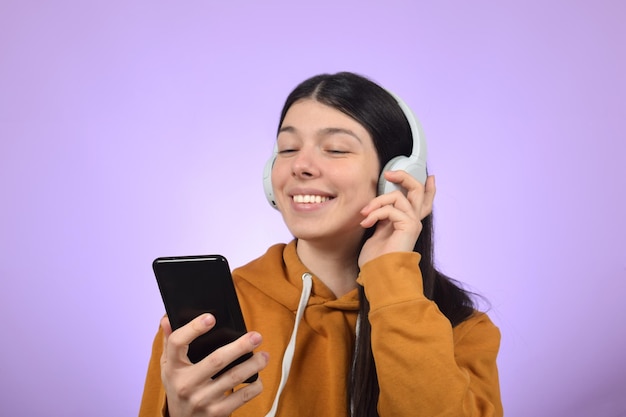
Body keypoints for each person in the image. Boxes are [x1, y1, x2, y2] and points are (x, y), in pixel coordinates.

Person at [139, 71, 503, 417]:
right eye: (287, 148)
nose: (301, 165)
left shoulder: (461, 327)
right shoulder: (202, 323)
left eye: (336, 149)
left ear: (396, 178)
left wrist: (392, 279)